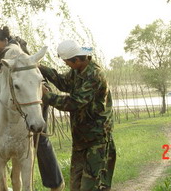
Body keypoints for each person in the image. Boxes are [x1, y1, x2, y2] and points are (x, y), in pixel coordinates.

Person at [0, 23, 65, 191]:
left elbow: (29, 75)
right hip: (19, 98)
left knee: (39, 140)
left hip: (34, 96)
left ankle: (56, 184)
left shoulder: (14, 49)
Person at [39, 39, 116, 191]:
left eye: (67, 62)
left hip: (97, 140)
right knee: (76, 185)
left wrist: (47, 97)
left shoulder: (94, 75)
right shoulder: (77, 71)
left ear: (76, 60)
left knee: (92, 186)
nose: (66, 64)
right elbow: (63, 83)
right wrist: (40, 67)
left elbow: (74, 102)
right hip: (81, 139)